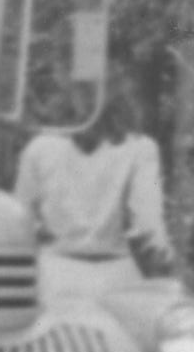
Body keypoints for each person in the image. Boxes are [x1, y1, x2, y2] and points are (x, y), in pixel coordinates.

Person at [14, 73, 175, 295]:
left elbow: (20, 221)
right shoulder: (140, 148)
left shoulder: (39, 148)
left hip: (54, 275)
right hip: (116, 278)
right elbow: (149, 224)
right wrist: (164, 260)